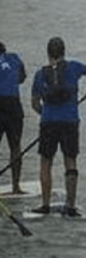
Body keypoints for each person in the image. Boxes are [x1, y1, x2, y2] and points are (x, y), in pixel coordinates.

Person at [29, 37, 86, 216]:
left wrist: (46, 115)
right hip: (70, 121)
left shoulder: (40, 74)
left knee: (45, 162)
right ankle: (71, 206)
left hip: (48, 122)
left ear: (48, 53)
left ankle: (45, 204)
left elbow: (34, 104)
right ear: (63, 52)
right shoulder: (74, 67)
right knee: (70, 161)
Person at [0, 41, 27, 194]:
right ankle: (16, 186)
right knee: (15, 147)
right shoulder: (14, 58)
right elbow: (22, 77)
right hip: (13, 105)